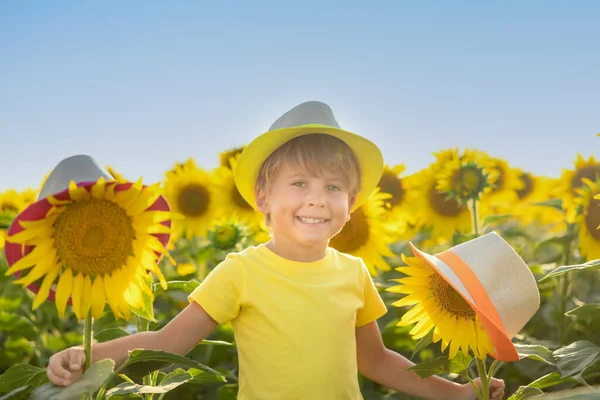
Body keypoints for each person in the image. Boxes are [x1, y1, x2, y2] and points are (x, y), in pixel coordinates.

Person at [47, 101, 505, 400]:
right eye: (299, 183)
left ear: (351, 206)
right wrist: (87, 354)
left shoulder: (354, 272)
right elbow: (169, 341)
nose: (317, 198)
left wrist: (458, 394)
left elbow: (376, 361)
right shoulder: (241, 271)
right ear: (263, 199)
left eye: (334, 187)